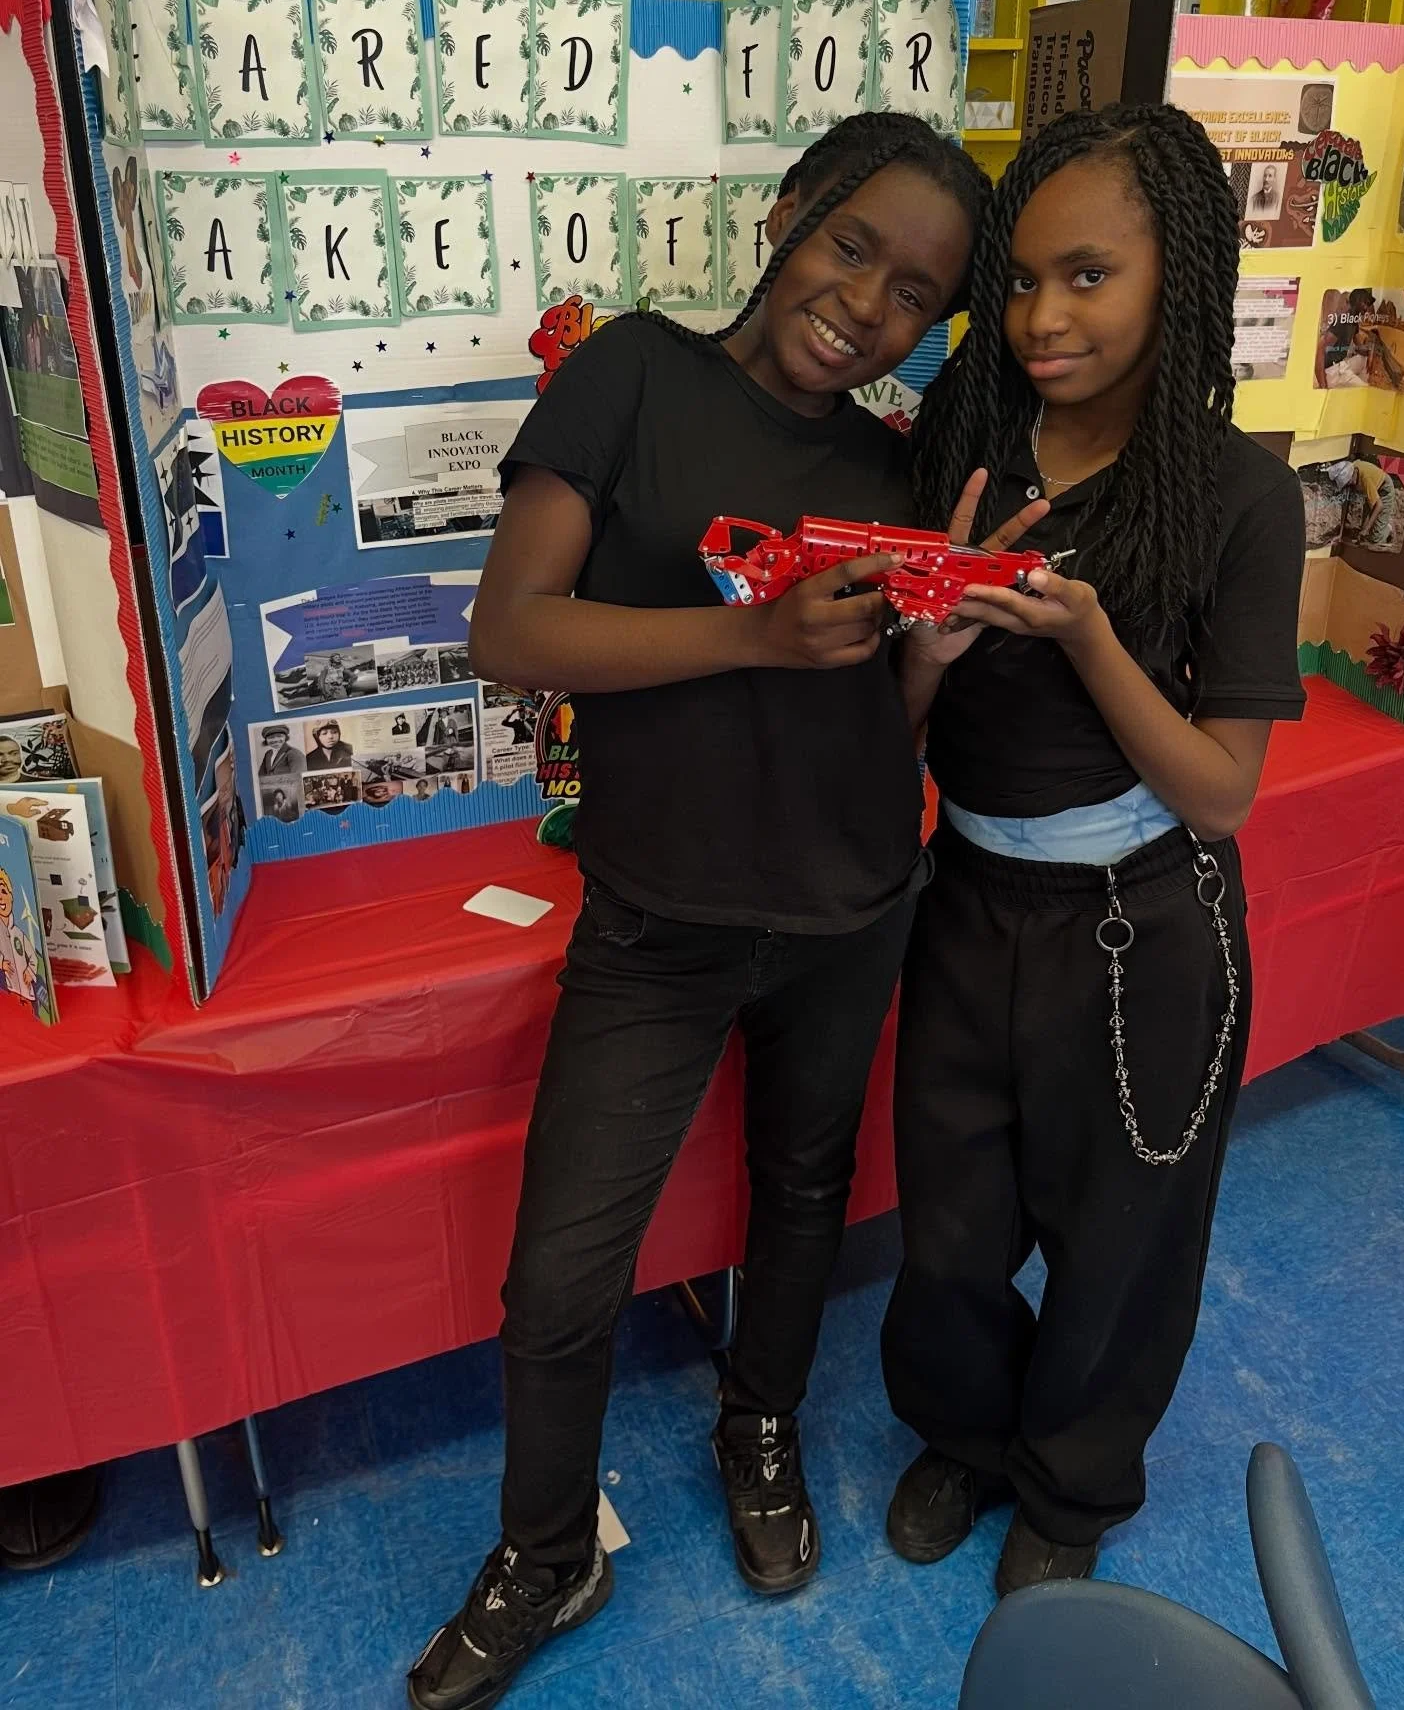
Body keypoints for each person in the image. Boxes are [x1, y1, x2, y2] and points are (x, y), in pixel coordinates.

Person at [407, 113, 1044, 1710]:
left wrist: (926, 656)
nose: (869, 306)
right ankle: (548, 1552)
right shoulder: (629, 372)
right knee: (563, 1274)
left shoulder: (897, 468)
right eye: (852, 248)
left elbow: (875, 724)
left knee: (804, 1198)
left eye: (917, 294)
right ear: (785, 217)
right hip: (658, 920)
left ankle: (760, 1423)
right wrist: (751, 644)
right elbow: (513, 631)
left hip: (849, 906)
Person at [885, 102, 1306, 1597]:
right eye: (1021, 279)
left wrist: (1089, 636)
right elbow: (897, 711)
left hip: (1146, 922)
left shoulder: (1235, 495)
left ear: (1172, 279)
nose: (1042, 318)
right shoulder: (965, 444)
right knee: (948, 1227)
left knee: (1122, 1241)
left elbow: (1223, 794)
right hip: (970, 897)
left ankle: (1068, 1492)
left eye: (1088, 278)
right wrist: (928, 650)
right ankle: (966, 1434)